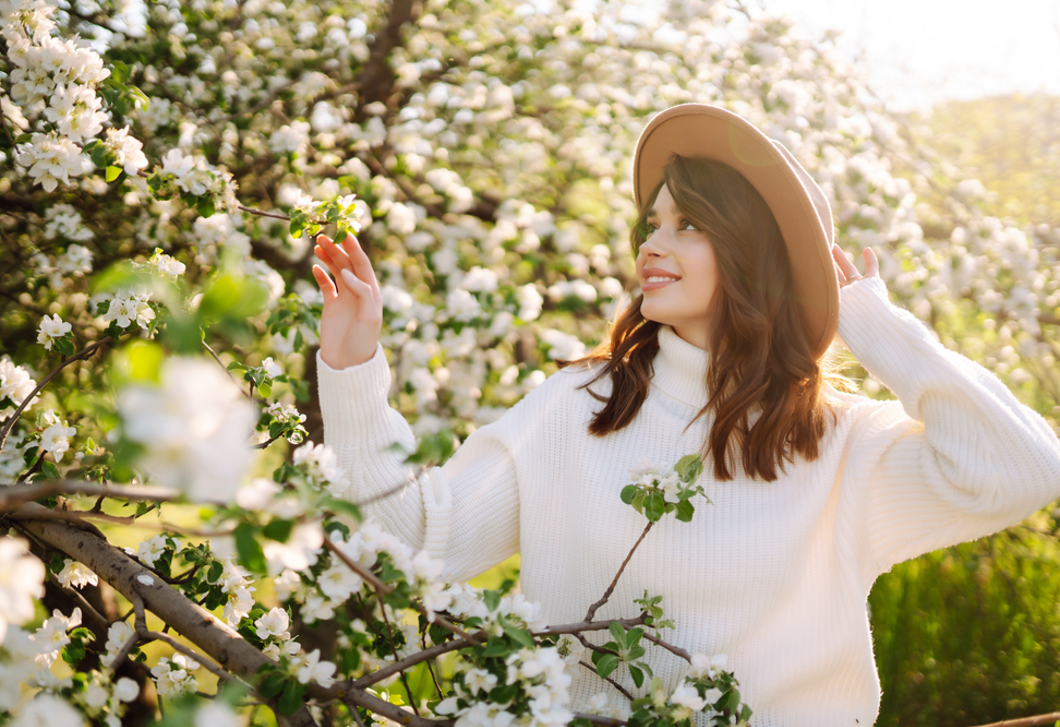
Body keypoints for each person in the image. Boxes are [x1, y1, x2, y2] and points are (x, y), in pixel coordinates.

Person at [310, 104, 1060, 726]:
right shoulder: (581, 407)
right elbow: (416, 542)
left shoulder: (839, 442)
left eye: (686, 225)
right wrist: (351, 371)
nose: (651, 244)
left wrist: (873, 323)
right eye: (652, 221)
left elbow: (1024, 470)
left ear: (750, 253)